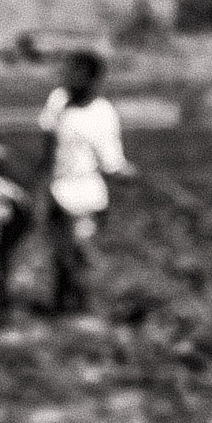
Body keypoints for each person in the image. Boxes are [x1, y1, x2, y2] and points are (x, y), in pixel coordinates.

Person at [37, 48, 130, 313]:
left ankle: (83, 310)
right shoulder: (57, 101)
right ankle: (62, 309)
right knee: (59, 255)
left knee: (79, 254)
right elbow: (47, 145)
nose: (68, 77)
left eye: (75, 72)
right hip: (57, 190)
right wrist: (41, 186)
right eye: (67, 71)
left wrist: (123, 172)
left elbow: (112, 161)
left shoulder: (103, 114)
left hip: (86, 194)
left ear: (92, 79)